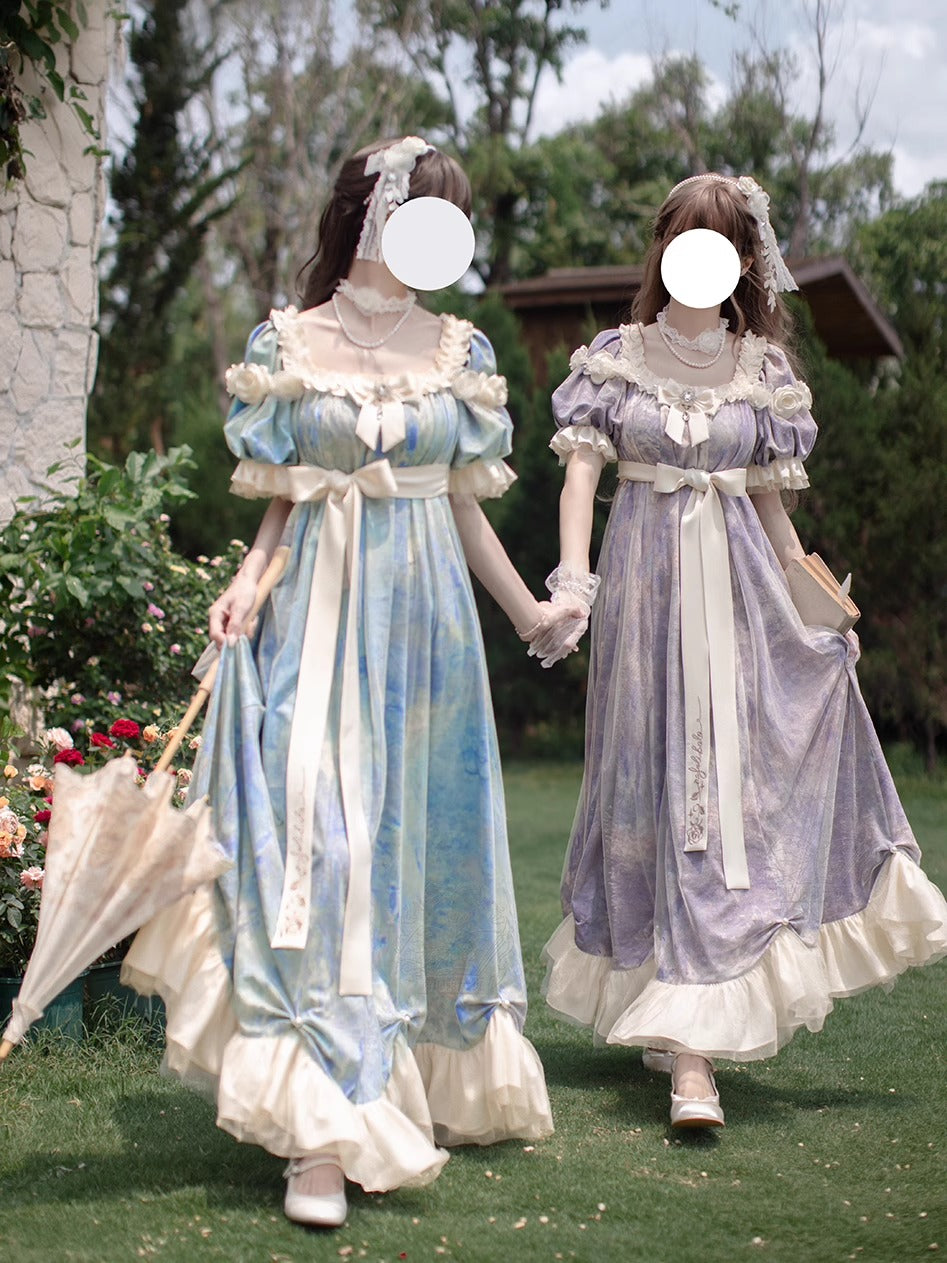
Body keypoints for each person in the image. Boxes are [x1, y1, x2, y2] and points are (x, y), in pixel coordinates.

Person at [122, 136, 559, 1227]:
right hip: (315, 620)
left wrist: (529, 614)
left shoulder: (457, 352)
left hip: (427, 637)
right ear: (371, 213)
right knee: (319, 846)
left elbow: (464, 507)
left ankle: (402, 1072)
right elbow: (288, 494)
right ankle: (320, 1129)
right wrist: (245, 585)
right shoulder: (289, 343)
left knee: (411, 850)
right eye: (426, 211)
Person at [530, 172, 947, 1129]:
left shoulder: (761, 372)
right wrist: (573, 584)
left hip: (739, 603)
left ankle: (694, 1054)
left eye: (722, 243)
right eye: (687, 238)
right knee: (647, 795)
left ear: (745, 260)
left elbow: (771, 511)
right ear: (664, 247)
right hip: (643, 601)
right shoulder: (614, 359)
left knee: (718, 804)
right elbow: (581, 478)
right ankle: (666, 994)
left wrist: (817, 610)